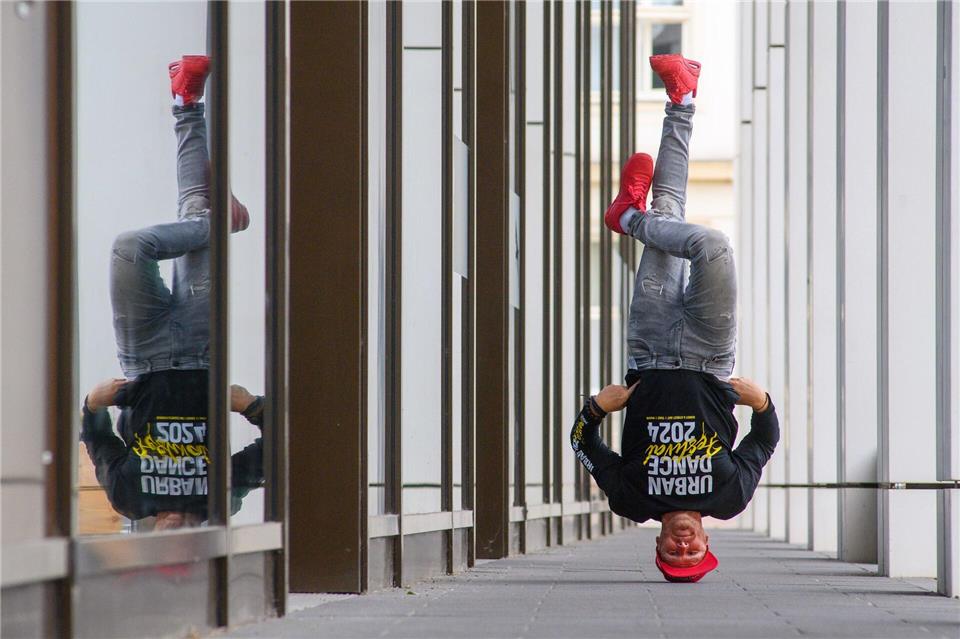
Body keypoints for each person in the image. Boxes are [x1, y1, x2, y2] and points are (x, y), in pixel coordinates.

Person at [570, 54, 780, 583]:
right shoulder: (729, 497)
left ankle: (681, 100)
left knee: (670, 202)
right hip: (712, 356)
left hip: (651, 346)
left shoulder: (631, 500)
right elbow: (764, 440)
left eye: (674, 552)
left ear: (659, 544)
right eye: (692, 553)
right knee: (712, 246)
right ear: (708, 541)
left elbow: (582, 444)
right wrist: (763, 404)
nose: (683, 545)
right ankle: (631, 218)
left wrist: (596, 408)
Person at [80, 55, 263, 530]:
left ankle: (215, 226)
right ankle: (185, 103)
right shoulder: (220, 499)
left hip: (142, 355)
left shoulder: (128, 499)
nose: (177, 538)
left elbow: (95, 438)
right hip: (202, 352)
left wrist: (93, 403)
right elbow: (284, 447)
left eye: (166, 550)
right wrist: (250, 406)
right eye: (190, 550)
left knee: (130, 247)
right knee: (197, 205)